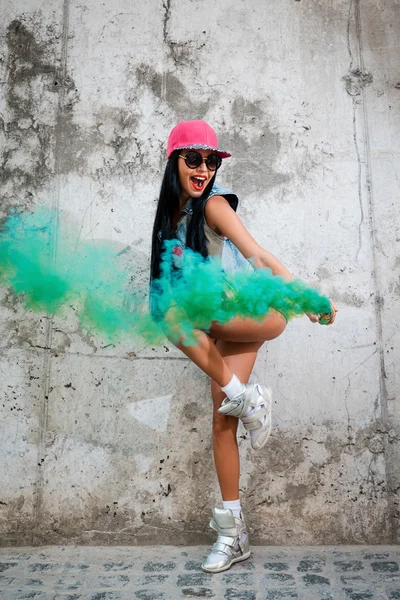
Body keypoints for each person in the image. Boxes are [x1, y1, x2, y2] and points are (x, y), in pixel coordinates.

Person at [150, 120, 337, 573]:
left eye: (210, 160)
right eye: (193, 159)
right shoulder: (171, 220)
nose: (203, 169)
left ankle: (245, 397)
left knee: (169, 313)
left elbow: (259, 256)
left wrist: (306, 298)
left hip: (254, 311)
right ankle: (234, 536)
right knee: (223, 425)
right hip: (219, 324)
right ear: (173, 161)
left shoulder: (213, 205)